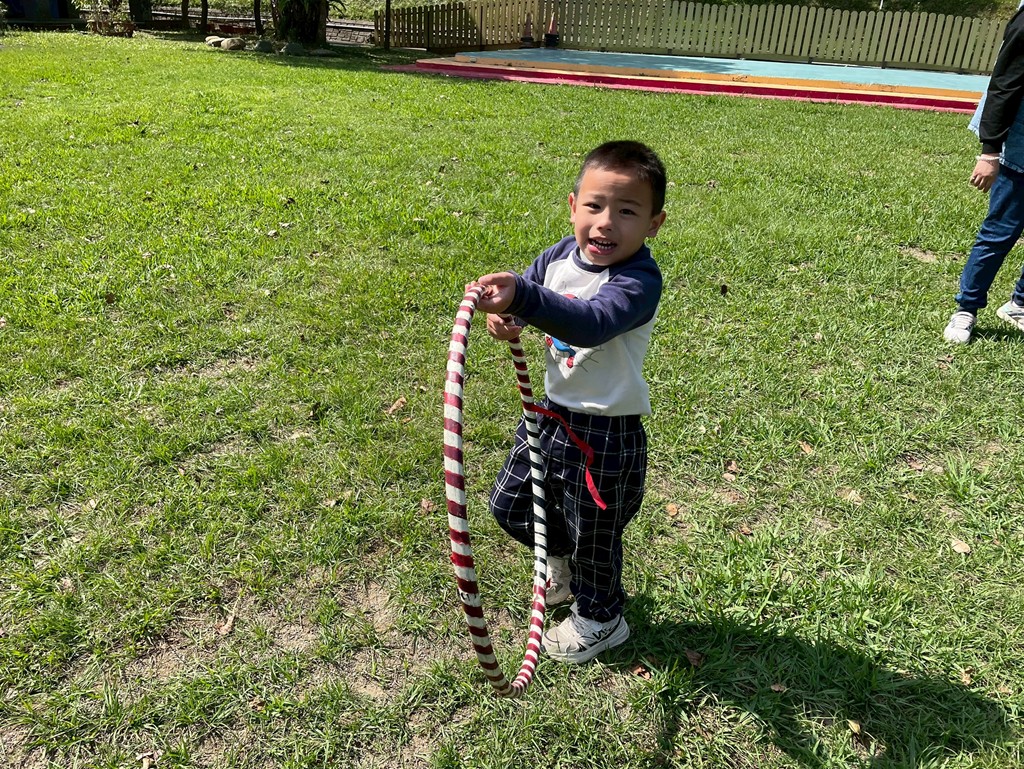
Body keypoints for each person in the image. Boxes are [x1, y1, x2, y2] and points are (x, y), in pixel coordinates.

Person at [471, 140, 667, 663]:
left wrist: (523, 298)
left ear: (654, 224)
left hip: (606, 433)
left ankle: (602, 620)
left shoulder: (637, 281)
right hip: (551, 415)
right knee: (511, 504)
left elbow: (591, 323)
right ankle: (559, 562)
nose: (606, 223)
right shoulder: (559, 256)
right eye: (595, 206)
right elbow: (528, 299)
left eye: (628, 212)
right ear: (573, 205)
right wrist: (507, 316)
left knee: (595, 537)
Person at [945, 5, 1024, 343]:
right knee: (1000, 232)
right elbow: (1004, 84)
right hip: (1020, 149)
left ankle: (1019, 304)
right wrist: (990, 152)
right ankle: (966, 309)